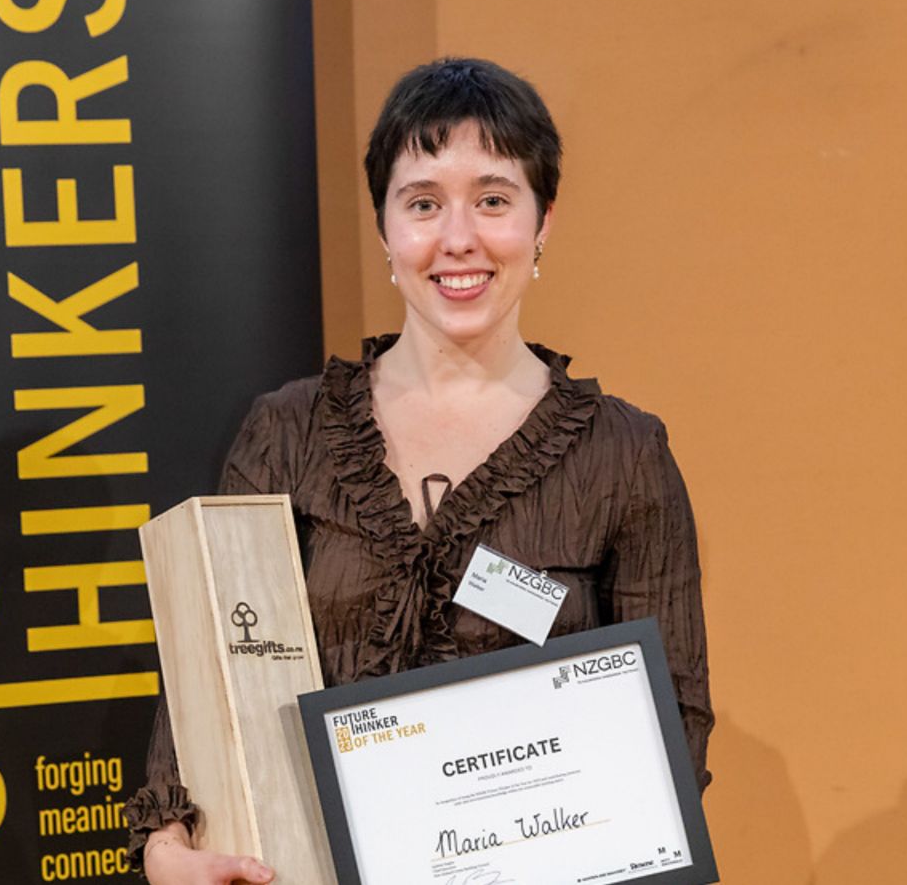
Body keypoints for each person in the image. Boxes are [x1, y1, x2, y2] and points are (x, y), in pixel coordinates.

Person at [126, 57, 713, 884]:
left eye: (495, 199)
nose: (459, 238)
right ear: (385, 229)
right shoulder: (287, 432)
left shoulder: (621, 455)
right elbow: (205, 667)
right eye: (425, 203)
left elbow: (673, 716)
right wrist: (167, 847)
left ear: (544, 221)